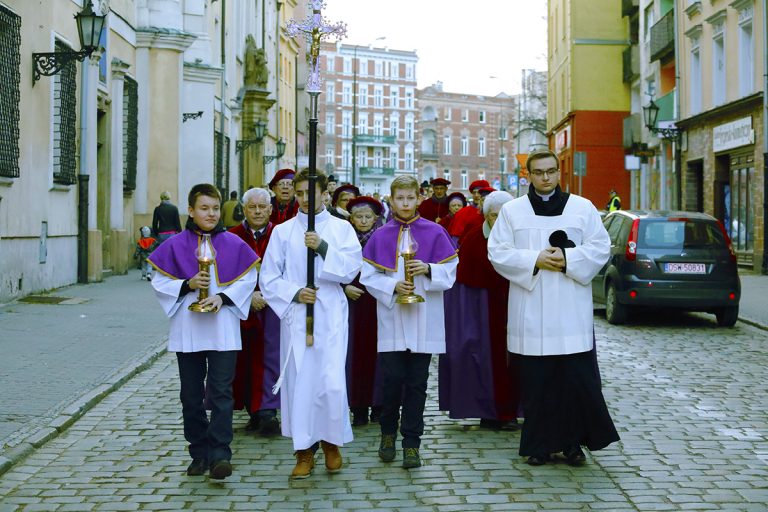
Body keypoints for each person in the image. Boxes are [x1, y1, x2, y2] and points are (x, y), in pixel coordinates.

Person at [487, 149, 619, 467]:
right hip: (530, 310)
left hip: (569, 310)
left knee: (573, 383)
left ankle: (573, 444)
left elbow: (601, 247)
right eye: (538, 172)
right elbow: (497, 251)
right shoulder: (513, 211)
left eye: (551, 171)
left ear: (559, 172)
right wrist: (534, 259)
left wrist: (568, 260)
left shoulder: (582, 208)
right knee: (537, 384)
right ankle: (539, 445)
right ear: (528, 176)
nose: (545, 177)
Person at [147, 183, 259, 480]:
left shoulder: (234, 243)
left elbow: (249, 279)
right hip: (189, 330)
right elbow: (158, 282)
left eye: (214, 208)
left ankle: (221, 453)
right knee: (191, 396)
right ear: (191, 210)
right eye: (203, 208)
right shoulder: (174, 245)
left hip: (223, 329)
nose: (210, 214)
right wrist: (187, 285)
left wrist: (222, 297)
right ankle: (199, 452)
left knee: (223, 393)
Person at [260, 169, 362, 480]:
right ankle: (304, 450)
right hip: (298, 312)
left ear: (325, 194)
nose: (305, 199)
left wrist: (322, 247)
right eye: (300, 193)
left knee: (330, 381)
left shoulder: (342, 228)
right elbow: (268, 278)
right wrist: (294, 292)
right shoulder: (282, 232)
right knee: (300, 381)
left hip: (329, 311)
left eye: (311, 193)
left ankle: (331, 442)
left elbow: (350, 268)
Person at [360, 175, 458, 469]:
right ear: (391, 200)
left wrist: (428, 268)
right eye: (399, 198)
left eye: (409, 198)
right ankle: (388, 433)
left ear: (419, 198)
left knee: (417, 384)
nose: (404, 203)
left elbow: (451, 271)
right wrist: (392, 286)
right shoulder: (380, 235)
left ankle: (412, 442)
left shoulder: (435, 232)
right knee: (391, 382)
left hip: (424, 318)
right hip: (392, 318)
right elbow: (367, 275)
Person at [439, 191, 520, 430]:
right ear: (486, 216)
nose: (499, 221)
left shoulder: (520, 239)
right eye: (494, 215)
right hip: (484, 313)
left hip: (515, 308)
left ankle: (516, 409)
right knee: (483, 360)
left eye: (504, 216)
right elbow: (464, 282)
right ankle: (490, 411)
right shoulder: (474, 239)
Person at [228, 188, 281, 437]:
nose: (258, 211)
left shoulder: (281, 235)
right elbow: (225, 276)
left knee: (271, 358)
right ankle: (253, 409)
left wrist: (269, 295)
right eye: (252, 207)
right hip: (242, 308)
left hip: (274, 308)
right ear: (244, 210)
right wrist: (248, 297)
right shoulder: (232, 237)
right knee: (245, 359)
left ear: (271, 209)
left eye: (262, 207)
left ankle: (268, 410)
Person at [343, 196, 385, 427]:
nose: (363, 221)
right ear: (351, 218)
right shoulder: (345, 239)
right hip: (352, 303)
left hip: (377, 302)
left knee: (378, 354)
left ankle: (379, 405)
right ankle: (357, 406)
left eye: (368, 216)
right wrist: (343, 287)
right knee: (353, 355)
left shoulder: (382, 238)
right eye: (358, 217)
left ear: (376, 218)